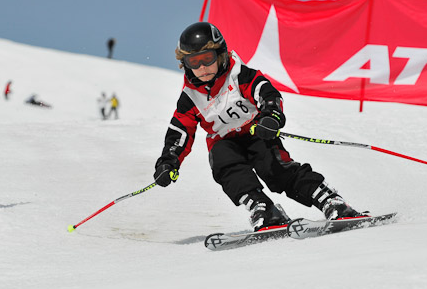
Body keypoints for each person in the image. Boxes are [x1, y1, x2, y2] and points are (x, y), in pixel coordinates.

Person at [153, 22, 363, 231]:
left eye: (207, 59)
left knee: (276, 169)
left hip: (257, 132)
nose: (202, 68)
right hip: (224, 140)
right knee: (224, 164)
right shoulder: (190, 96)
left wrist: (271, 117)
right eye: (194, 62)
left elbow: (267, 94)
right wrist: (169, 161)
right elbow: (180, 131)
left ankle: (330, 201)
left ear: (220, 54)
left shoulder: (239, 75)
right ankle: (263, 208)